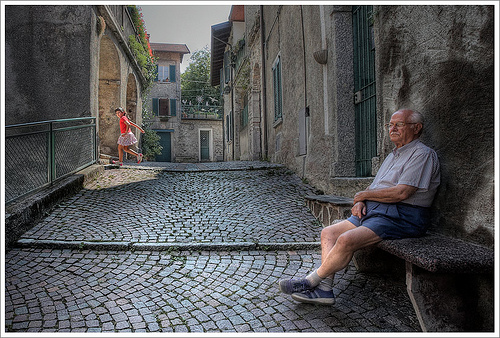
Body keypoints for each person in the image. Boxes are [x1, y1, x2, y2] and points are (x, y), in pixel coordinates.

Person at [279, 108, 440, 305]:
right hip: (377, 210)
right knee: (328, 233)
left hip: (402, 216)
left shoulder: (422, 154)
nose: (393, 129)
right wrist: (361, 200)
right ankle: (325, 291)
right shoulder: (393, 155)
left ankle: (310, 281)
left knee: (346, 240)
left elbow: (402, 193)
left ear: (417, 128)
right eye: (390, 125)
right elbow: (375, 186)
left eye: (399, 124)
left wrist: (363, 195)